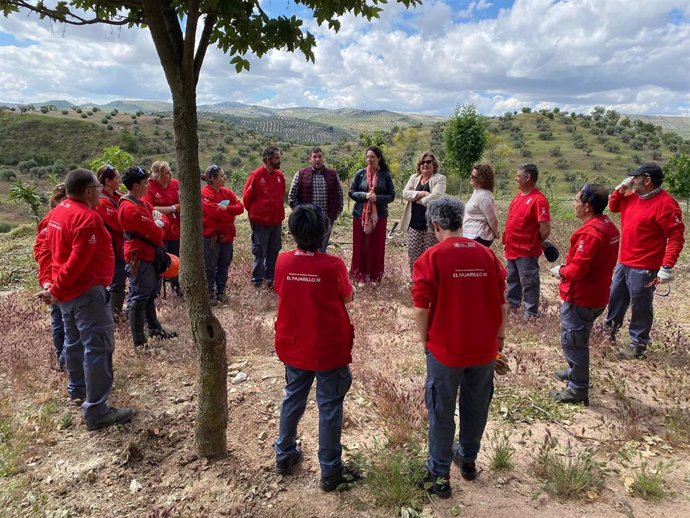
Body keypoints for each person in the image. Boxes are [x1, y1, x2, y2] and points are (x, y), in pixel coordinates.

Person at [413, 197, 506, 499]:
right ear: (461, 222)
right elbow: (502, 301)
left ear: (436, 225)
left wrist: (425, 340)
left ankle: (439, 476)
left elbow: (420, 307)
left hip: (446, 349)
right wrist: (500, 339)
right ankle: (467, 459)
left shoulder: (430, 258)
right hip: (483, 348)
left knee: (441, 410)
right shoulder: (487, 256)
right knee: (476, 405)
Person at [37, 169, 134, 430]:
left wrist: (53, 286)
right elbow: (77, 262)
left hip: (68, 294)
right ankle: (97, 410)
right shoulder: (87, 219)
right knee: (98, 347)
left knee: (74, 342)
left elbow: (52, 253)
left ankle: (77, 390)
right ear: (88, 191)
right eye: (98, 189)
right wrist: (55, 287)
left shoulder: (58, 212)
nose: (101, 193)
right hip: (85, 292)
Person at [273, 204, 360, 492]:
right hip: (328, 348)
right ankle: (331, 471)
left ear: (293, 232)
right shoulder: (333, 265)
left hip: (294, 344)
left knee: (293, 397)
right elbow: (347, 299)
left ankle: (284, 455)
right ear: (324, 232)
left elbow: (280, 290)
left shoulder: (283, 261)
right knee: (330, 406)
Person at [604, 163, 685, 359]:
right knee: (615, 299)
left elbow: (676, 236)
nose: (632, 181)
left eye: (635, 178)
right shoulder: (632, 197)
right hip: (624, 262)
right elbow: (614, 207)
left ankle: (638, 344)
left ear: (647, 180)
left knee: (640, 306)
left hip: (645, 266)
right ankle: (608, 335)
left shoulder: (666, 204)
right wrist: (619, 189)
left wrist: (666, 266)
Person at [549, 184, 620, 405]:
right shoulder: (609, 226)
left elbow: (577, 271)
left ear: (587, 207)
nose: (574, 204)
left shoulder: (590, 233)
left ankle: (577, 390)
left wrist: (559, 271)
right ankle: (574, 373)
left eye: (576, 200)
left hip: (581, 297)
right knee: (580, 337)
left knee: (574, 342)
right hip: (597, 294)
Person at [118, 166, 177, 348]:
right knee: (139, 296)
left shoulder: (142, 203)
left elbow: (163, 222)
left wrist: (160, 222)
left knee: (150, 294)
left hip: (151, 255)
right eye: (144, 183)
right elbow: (157, 232)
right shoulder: (130, 208)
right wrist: (158, 223)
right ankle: (139, 341)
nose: (147, 187)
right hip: (140, 257)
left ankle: (154, 329)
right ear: (135, 186)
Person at [502, 163, 551, 318]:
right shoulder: (518, 197)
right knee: (512, 280)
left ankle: (531, 314)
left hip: (526, 251)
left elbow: (545, 228)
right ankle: (513, 307)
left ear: (528, 177)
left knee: (529, 283)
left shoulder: (538, 200)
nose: (515, 179)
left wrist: (535, 241)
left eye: (518, 176)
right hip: (511, 249)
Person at [348, 146, 396, 285]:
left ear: (379, 158)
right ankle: (359, 275)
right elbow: (351, 192)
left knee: (377, 246)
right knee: (359, 245)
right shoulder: (360, 174)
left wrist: (378, 198)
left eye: (372, 157)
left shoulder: (385, 175)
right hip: (359, 215)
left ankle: (375, 276)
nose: (369, 159)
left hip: (379, 216)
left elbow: (392, 195)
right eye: (367, 157)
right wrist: (364, 195)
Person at [243, 146, 286, 289]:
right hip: (261, 223)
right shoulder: (255, 176)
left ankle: (270, 279)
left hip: (276, 221)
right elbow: (247, 200)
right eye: (277, 158)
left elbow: (281, 197)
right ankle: (257, 281)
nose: (279, 160)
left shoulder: (280, 176)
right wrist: (257, 214)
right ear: (268, 159)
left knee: (274, 250)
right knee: (260, 251)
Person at [34, 183, 67, 370]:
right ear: (56, 201)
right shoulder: (50, 222)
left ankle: (65, 360)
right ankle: (63, 360)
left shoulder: (68, 217)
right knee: (60, 320)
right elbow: (43, 254)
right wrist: (47, 283)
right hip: (54, 279)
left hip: (65, 277)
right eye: (64, 200)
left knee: (65, 321)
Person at [201, 165, 244, 305]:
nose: (224, 178)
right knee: (210, 266)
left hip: (227, 235)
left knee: (224, 265)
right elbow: (214, 213)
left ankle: (221, 292)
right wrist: (229, 213)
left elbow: (240, 208)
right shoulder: (205, 193)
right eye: (221, 176)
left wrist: (227, 209)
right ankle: (209, 294)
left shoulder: (226, 191)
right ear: (212, 179)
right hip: (212, 237)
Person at [288, 147, 344, 253]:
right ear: (310, 159)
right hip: (307, 222)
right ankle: (306, 269)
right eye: (314, 157)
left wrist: (336, 214)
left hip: (326, 221)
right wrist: (301, 215)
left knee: (322, 250)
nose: (317, 159)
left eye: (319, 157)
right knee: (305, 250)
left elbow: (339, 195)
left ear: (323, 158)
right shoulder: (301, 174)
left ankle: (320, 269)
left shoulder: (332, 174)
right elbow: (292, 197)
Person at [400, 151, 447, 275]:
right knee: (413, 253)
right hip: (414, 223)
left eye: (428, 162)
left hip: (431, 224)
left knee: (429, 255)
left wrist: (417, 199)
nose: (425, 164)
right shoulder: (413, 178)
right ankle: (415, 280)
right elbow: (405, 193)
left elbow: (436, 197)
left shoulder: (439, 178)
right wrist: (422, 194)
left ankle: (429, 281)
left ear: (433, 164)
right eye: (422, 162)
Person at [143, 161, 182, 297]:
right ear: (158, 175)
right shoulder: (150, 187)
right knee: (161, 261)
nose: (170, 174)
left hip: (177, 230)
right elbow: (150, 207)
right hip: (161, 231)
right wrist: (172, 208)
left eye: (170, 171)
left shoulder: (175, 184)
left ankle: (176, 287)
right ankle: (156, 292)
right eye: (167, 172)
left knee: (176, 258)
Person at [95, 164, 127, 320]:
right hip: (112, 248)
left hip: (121, 247)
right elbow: (119, 223)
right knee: (116, 281)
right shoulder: (102, 201)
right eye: (117, 177)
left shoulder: (117, 196)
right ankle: (114, 314)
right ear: (108, 181)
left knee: (120, 280)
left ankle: (116, 312)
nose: (119, 180)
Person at [463, 164, 499, 247]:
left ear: (481, 179)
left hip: (478, 236)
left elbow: (493, 219)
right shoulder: (477, 191)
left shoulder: (484, 196)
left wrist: (495, 233)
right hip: (471, 235)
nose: (470, 177)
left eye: (473, 176)